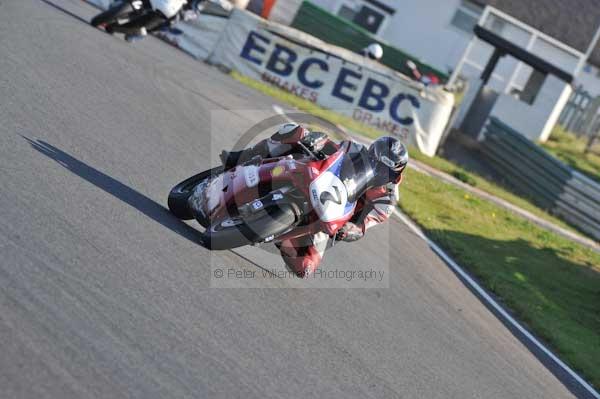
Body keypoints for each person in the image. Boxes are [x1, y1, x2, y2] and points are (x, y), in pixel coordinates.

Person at [220, 124, 408, 278]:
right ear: (371, 152)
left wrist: (351, 231)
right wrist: (316, 141)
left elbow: (364, 225)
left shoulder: (387, 199)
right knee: (296, 131)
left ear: (396, 175)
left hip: (329, 216)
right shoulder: (354, 148)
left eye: (385, 170)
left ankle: (282, 233)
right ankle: (244, 156)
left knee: (304, 268)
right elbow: (330, 150)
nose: (377, 169)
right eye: (374, 161)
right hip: (313, 180)